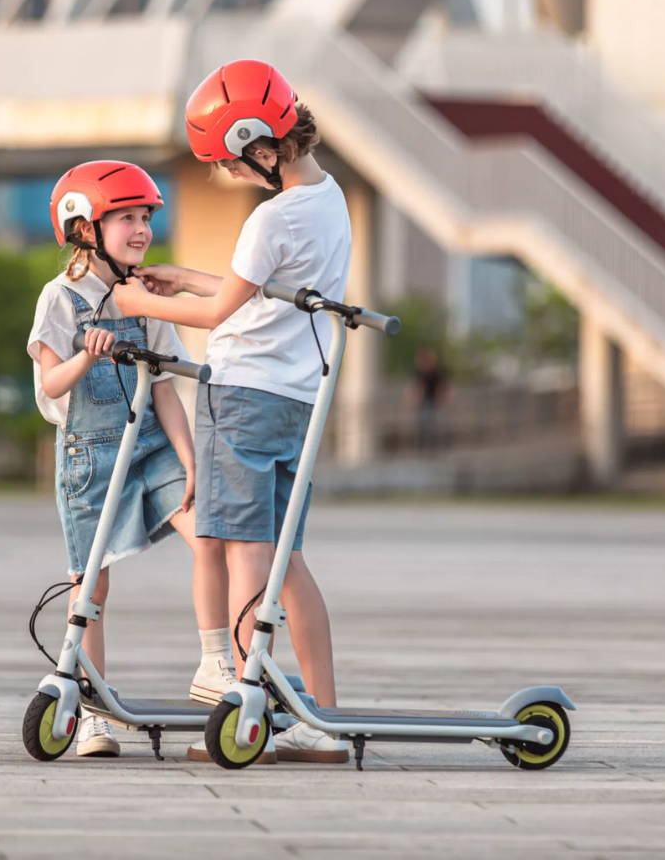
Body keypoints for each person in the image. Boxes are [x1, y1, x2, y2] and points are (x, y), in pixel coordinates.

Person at [113, 60, 351, 764]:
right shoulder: (328, 197)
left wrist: (138, 302)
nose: (235, 177)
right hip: (297, 397)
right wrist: (184, 276)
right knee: (286, 560)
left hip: (241, 396)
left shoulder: (271, 216)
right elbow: (265, 291)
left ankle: (248, 712)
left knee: (246, 557)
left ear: (262, 148)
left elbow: (221, 314)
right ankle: (322, 719)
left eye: (233, 165)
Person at [27, 161, 233, 758]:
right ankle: (92, 709)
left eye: (145, 217)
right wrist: (87, 357)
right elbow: (52, 382)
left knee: (211, 535)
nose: (142, 229)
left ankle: (215, 661)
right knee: (91, 587)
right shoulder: (60, 297)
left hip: (151, 449)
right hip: (90, 456)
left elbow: (165, 384)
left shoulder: (146, 295)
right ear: (84, 228)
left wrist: (190, 461)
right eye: (126, 218)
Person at [408, 346, 450, 452]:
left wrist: (442, 397)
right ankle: (424, 445)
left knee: (430, 423)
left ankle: (430, 446)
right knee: (423, 423)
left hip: (432, 400)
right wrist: (415, 397)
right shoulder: (421, 372)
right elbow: (416, 386)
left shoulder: (436, 372)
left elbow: (443, 385)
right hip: (424, 401)